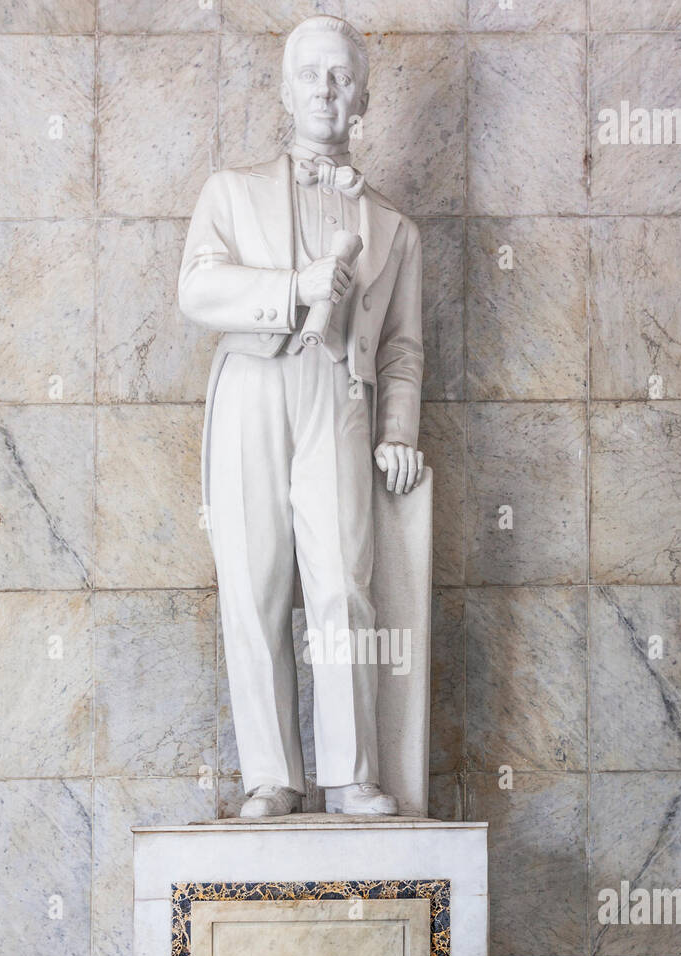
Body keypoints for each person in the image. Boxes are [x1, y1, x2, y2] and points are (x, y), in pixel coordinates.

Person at [179, 14, 423, 818]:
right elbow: (199, 290)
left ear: (363, 98)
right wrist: (293, 290)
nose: (325, 88)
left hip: (338, 397)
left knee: (343, 585)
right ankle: (272, 775)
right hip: (252, 385)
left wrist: (398, 432)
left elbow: (402, 348)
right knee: (252, 585)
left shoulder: (395, 229)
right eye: (311, 74)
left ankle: (353, 771)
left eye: (341, 76)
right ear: (286, 92)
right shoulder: (230, 191)